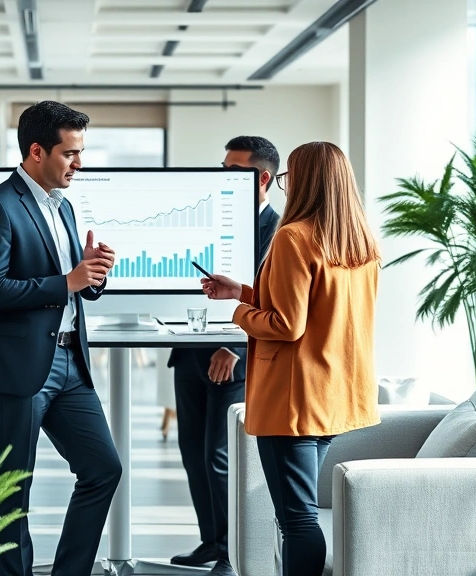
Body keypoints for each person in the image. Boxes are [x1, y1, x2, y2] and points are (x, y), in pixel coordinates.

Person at [201, 141, 380, 576]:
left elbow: (286, 326)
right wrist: (243, 290)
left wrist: (239, 312)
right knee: (300, 515)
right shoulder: (360, 242)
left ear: (307, 182)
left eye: (289, 177)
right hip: (335, 395)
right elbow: (318, 312)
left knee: (297, 519)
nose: (285, 186)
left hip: (293, 402)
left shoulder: (292, 237)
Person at [0, 100, 121, 576]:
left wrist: (92, 275)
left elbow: (71, 284)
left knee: (103, 469)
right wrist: (68, 281)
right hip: (20, 367)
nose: (79, 163)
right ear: (36, 151)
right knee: (14, 486)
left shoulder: (66, 206)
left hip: (72, 364)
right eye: (70, 153)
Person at [168, 136, 281, 576]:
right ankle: (211, 542)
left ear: (263, 178)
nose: (222, 178)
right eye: (222, 168)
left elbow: (272, 301)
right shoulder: (209, 220)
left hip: (234, 357)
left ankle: (234, 553)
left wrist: (233, 347)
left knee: (220, 455)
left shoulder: (278, 232)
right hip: (191, 350)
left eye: (233, 171)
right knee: (194, 454)